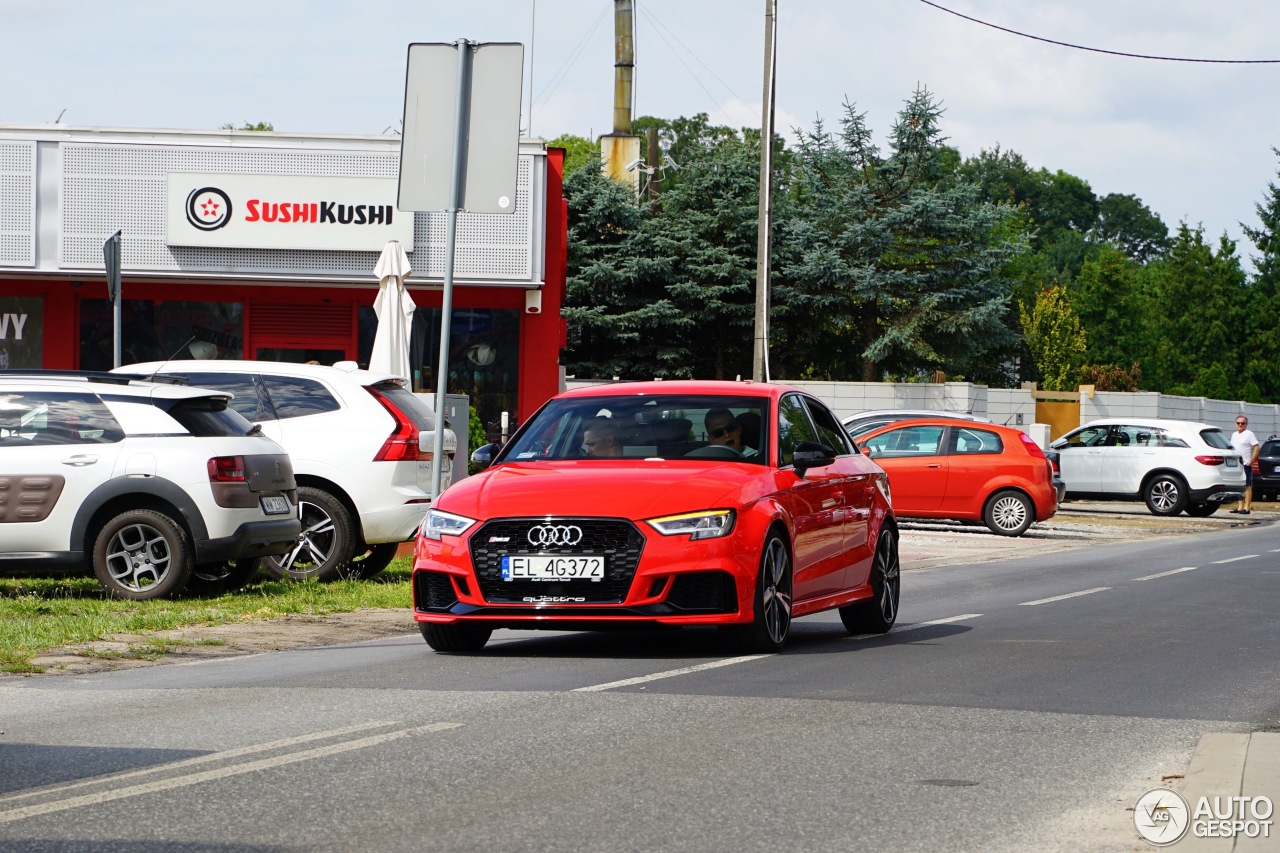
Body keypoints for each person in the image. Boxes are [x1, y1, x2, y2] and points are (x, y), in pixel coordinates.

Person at [1229, 416, 1260, 514]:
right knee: (1239, 485)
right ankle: (1240, 507)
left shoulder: (1249, 434)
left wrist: (1252, 460)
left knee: (1247, 485)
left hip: (1245, 463)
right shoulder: (1234, 434)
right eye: (1238, 423)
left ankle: (1247, 507)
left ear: (1246, 424)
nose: (1240, 425)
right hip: (1236, 464)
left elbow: (1256, 447)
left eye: (1242, 423)